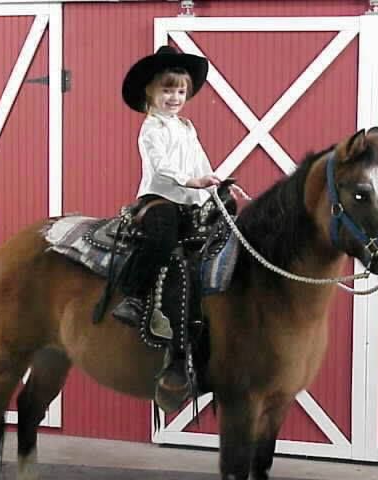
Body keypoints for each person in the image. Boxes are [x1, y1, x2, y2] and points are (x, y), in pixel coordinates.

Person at [115, 45, 220, 412]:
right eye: (166, 90)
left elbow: (201, 160)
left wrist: (215, 183)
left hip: (191, 199)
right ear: (150, 93)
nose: (174, 97)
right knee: (161, 239)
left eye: (179, 91)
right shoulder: (151, 129)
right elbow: (160, 168)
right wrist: (190, 181)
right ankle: (131, 292)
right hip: (159, 199)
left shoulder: (187, 127)